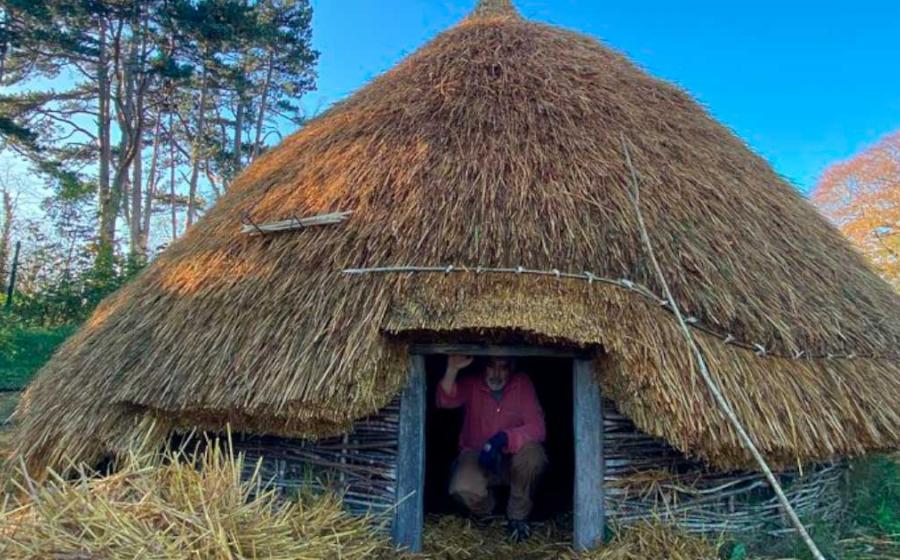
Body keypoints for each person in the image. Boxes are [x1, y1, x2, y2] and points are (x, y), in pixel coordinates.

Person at [436, 354, 547, 541]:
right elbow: (445, 400)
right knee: (461, 488)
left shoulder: (522, 384)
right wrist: (452, 369)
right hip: (478, 456)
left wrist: (504, 438)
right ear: (482, 366)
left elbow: (538, 429)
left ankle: (517, 516)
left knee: (533, 455)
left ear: (511, 368)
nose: (496, 374)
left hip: (512, 458)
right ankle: (489, 512)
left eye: (503, 367)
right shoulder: (472, 383)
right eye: (491, 366)